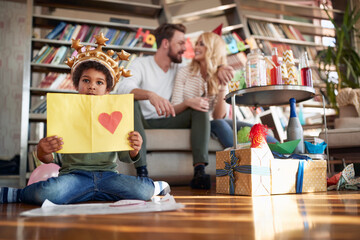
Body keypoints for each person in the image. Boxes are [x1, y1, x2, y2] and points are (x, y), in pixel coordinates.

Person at [0, 34, 169, 205]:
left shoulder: (115, 112)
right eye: (86, 80)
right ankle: (19, 194)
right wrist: (43, 151)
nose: (92, 86)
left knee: (144, 190)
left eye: (99, 83)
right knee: (49, 192)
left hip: (108, 177)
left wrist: (134, 149)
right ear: (77, 85)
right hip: (74, 177)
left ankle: (143, 188)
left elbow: (125, 157)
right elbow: (49, 160)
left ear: (108, 90)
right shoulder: (65, 112)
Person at [117, 23, 234, 189]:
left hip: (169, 118)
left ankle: (200, 171)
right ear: (166, 44)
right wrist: (151, 95)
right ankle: (142, 172)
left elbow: (208, 61)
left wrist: (221, 67)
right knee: (130, 100)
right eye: (180, 43)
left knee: (199, 107)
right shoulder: (141, 64)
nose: (185, 48)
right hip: (141, 120)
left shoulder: (181, 66)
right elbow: (123, 88)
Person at [171, 32, 278, 149]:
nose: (196, 47)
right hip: (192, 122)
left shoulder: (222, 73)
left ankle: (282, 152)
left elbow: (219, 115)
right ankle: (237, 159)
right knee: (221, 124)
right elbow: (174, 108)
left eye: (201, 44)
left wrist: (222, 85)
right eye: (196, 44)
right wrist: (188, 102)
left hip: (214, 122)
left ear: (213, 49)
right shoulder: (184, 72)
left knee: (255, 130)